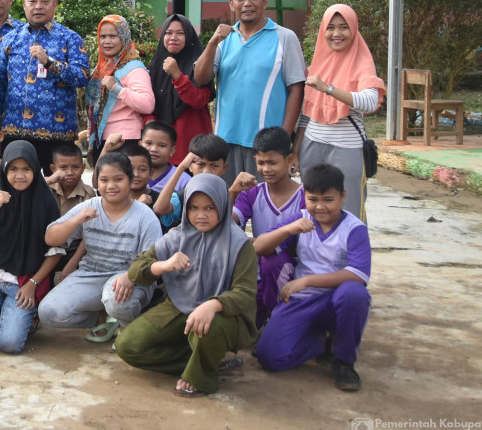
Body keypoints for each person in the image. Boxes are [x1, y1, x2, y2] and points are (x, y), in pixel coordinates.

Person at [114, 174, 257, 397]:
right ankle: (202, 362)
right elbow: (137, 270)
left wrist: (213, 305)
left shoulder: (239, 244)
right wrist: (164, 265)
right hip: (178, 306)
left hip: (224, 317)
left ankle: (201, 377)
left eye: (210, 208)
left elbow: (245, 293)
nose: (201, 215)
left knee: (205, 328)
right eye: (194, 208)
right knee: (127, 345)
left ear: (222, 204)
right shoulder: (176, 236)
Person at [254, 163, 371, 392]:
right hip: (301, 301)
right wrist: (287, 230)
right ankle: (319, 342)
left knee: (355, 294)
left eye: (328, 199)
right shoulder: (301, 219)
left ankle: (344, 360)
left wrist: (305, 281)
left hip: (334, 300)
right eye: (312, 199)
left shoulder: (354, 228)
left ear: (343, 196)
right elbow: (258, 247)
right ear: (304, 197)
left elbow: (358, 274)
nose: (320, 207)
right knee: (270, 358)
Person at [194, 0, 307, 184]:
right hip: (225, 141)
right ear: (231, 4)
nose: (247, 3)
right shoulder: (224, 40)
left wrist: (284, 136)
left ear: (265, 2)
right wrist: (211, 43)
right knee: (228, 206)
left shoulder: (284, 37)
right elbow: (201, 78)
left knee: (266, 208)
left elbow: (296, 89)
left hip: (267, 145)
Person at [40, 152, 161, 343]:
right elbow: (51, 238)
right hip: (91, 275)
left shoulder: (145, 216)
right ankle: (101, 317)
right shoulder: (89, 206)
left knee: (115, 300)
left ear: (130, 180)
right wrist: (77, 220)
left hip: (131, 279)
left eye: (118, 179)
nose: (111, 186)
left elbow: (152, 261)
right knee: (48, 312)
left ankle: (128, 325)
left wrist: (130, 276)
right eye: (104, 180)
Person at [0, 141, 64, 354]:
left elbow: (56, 252)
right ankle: (2, 315)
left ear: (35, 168)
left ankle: (22, 317)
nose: (20, 175)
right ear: (4, 168)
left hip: (24, 282)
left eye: (26, 169)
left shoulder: (46, 202)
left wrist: (33, 284)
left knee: (10, 344)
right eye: (13, 169)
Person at [296, 4, 385, 222]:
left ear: (354, 29)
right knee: (312, 209)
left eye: (344, 27)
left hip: (348, 148)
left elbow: (369, 102)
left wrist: (329, 89)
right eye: (331, 27)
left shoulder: (362, 62)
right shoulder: (317, 62)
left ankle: (350, 255)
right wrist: (295, 151)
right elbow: (307, 112)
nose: (337, 34)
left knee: (349, 210)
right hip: (312, 145)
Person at [0, 0, 90, 171]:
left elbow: (82, 76)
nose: (38, 6)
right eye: (33, 1)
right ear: (24, 4)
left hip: (58, 135)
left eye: (44, 1)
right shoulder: (11, 39)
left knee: (57, 191)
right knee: (15, 191)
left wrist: (50, 63)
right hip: (16, 133)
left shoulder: (70, 38)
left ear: (55, 4)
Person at [229, 126, 304, 327]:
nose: (266, 169)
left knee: (272, 260)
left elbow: (298, 244)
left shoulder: (306, 196)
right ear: (254, 161)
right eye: (261, 163)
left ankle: (276, 316)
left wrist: (260, 244)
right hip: (261, 271)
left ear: (289, 160)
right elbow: (228, 225)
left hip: (295, 270)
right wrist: (232, 193)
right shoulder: (252, 193)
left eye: (272, 162)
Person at [86, 14, 154, 156]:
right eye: (103, 36)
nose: (107, 41)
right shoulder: (102, 67)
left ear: (123, 37)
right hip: (103, 139)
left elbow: (147, 104)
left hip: (125, 140)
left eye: (113, 36)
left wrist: (117, 89)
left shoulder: (134, 67)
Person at [150, 15, 214, 164]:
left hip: (192, 146)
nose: (173, 37)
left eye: (180, 33)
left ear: (190, 37)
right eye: (168, 32)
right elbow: (149, 102)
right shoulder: (156, 65)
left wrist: (177, 76)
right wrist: (149, 122)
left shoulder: (200, 65)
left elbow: (200, 100)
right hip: (162, 146)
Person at [46, 143, 93, 216]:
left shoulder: (88, 194)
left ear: (83, 168)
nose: (70, 173)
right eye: (63, 167)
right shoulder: (46, 186)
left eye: (75, 167)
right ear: (53, 169)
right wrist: (50, 180)